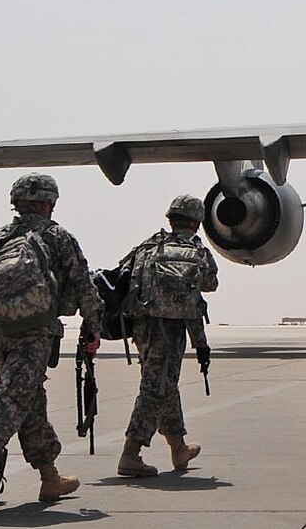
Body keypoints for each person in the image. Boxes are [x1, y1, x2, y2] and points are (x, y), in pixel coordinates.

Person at [0, 173, 101, 512]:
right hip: (35, 333)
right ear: (47, 203)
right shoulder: (56, 236)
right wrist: (93, 326)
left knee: (30, 401)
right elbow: (84, 284)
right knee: (13, 403)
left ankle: (49, 476)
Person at [116, 194, 218, 479]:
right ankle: (131, 453)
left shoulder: (148, 247)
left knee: (163, 384)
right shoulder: (196, 252)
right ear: (197, 222)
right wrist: (201, 343)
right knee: (156, 389)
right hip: (171, 332)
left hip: (142, 329)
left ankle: (179, 447)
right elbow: (206, 289)